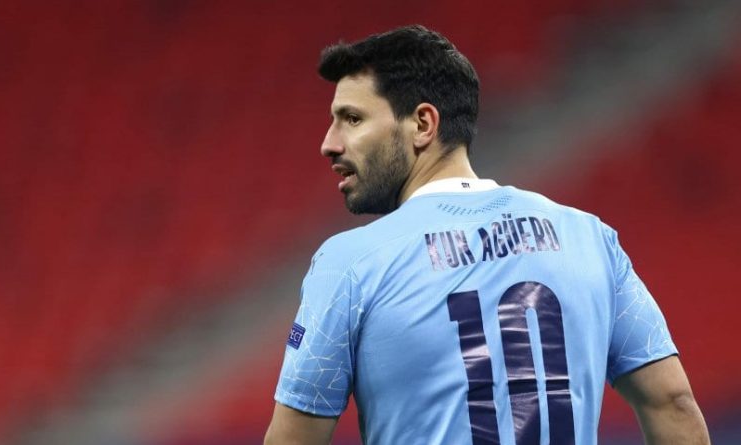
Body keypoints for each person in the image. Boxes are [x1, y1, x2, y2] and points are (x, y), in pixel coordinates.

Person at [264, 25, 710, 445]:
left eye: (352, 119)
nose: (329, 143)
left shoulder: (351, 263)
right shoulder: (589, 237)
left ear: (423, 124)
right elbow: (672, 402)